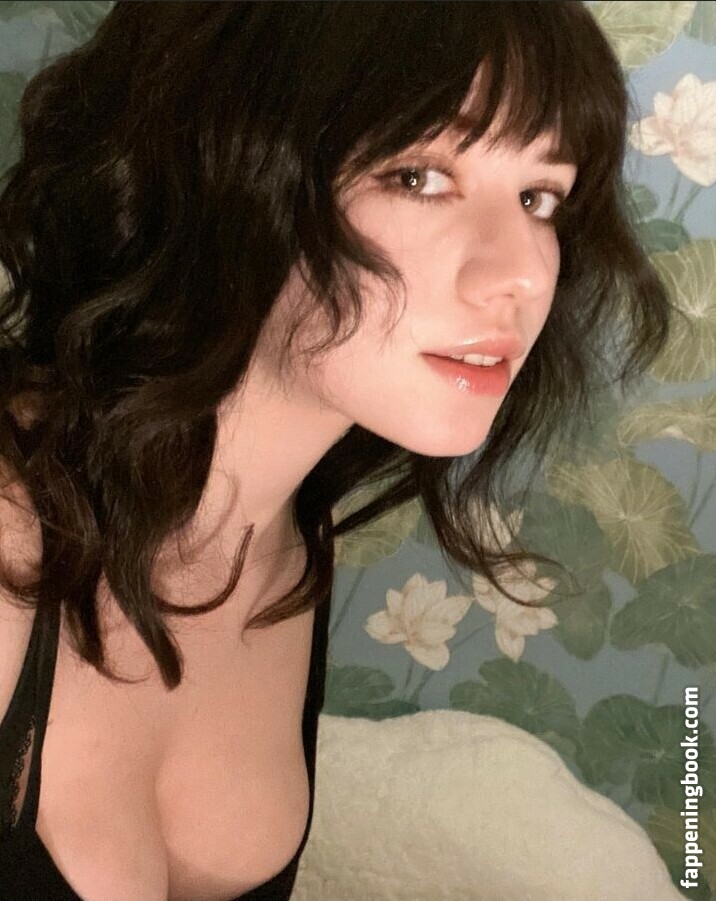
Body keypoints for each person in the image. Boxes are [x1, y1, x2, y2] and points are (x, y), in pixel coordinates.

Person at [0, 2, 677, 900]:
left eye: (539, 197)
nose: (519, 272)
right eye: (419, 175)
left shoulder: (293, 545)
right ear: (225, 161)